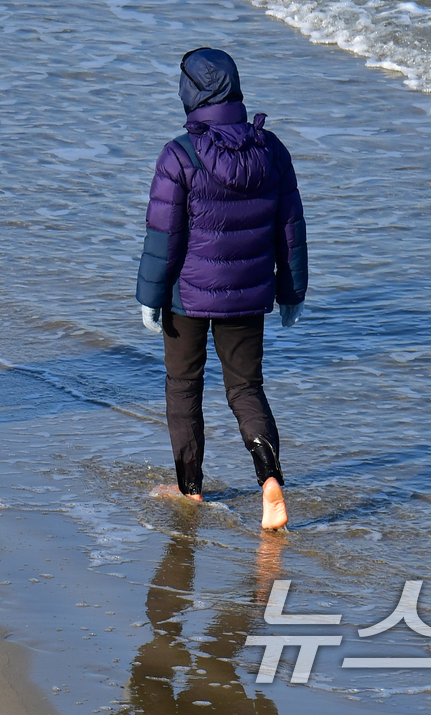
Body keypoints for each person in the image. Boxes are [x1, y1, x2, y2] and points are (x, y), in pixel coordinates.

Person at [136, 47, 307, 530]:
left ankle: (190, 491)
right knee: (246, 388)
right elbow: (290, 228)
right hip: (250, 295)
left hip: (186, 297)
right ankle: (270, 481)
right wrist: (292, 292)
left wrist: (150, 297)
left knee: (184, 386)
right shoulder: (271, 149)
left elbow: (163, 238)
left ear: (190, 93)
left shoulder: (179, 154)